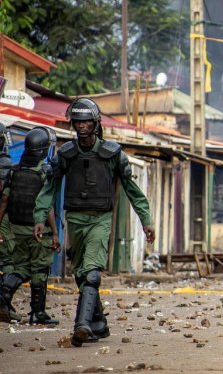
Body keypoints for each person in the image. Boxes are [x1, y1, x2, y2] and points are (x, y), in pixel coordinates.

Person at [33, 98, 155, 347]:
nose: (82, 126)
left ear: (96, 123)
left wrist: (146, 220)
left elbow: (132, 190)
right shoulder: (65, 154)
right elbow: (50, 188)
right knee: (81, 275)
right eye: (78, 121)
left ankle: (82, 326)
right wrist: (39, 218)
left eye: (87, 121)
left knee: (92, 273)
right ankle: (99, 324)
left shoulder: (112, 154)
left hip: (100, 218)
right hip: (74, 219)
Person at [0, 127, 61, 324]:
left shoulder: (14, 171)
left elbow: (4, 201)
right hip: (38, 230)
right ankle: (37, 312)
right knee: (39, 269)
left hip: (16, 229)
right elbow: (48, 205)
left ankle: (5, 295)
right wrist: (54, 234)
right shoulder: (44, 173)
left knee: (21, 267)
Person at [0, 123, 18, 320]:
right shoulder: (5, 164)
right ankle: (3, 304)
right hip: (4, 218)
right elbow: (5, 197)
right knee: (8, 261)